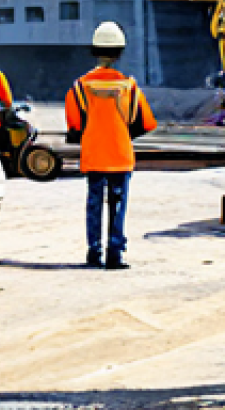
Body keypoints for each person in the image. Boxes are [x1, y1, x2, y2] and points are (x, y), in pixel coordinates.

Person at [65, 21, 156, 270]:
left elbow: (74, 124)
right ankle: (115, 254)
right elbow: (147, 122)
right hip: (120, 154)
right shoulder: (129, 86)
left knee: (94, 202)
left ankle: (94, 252)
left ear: (94, 50)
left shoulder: (79, 87)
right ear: (119, 52)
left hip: (94, 154)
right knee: (118, 203)